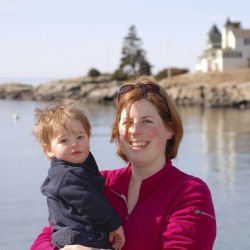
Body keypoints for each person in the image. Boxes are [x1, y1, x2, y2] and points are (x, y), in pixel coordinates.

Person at [31, 77, 216, 250]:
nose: (134, 130)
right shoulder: (97, 182)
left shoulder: (190, 193)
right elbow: (46, 237)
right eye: (127, 122)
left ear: (169, 129)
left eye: (147, 121)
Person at [32, 99, 125, 250]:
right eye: (64, 140)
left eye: (80, 137)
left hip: (84, 237)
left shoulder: (80, 167)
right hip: (79, 240)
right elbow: (90, 202)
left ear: (88, 138)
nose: (74, 143)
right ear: (48, 149)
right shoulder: (66, 176)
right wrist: (114, 224)